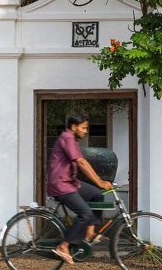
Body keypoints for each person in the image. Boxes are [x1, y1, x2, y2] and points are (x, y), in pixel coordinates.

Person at [47, 114, 113, 265]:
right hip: (61, 185)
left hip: (71, 182)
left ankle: (90, 233)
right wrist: (100, 181)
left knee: (97, 194)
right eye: (83, 128)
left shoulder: (72, 140)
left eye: (86, 128)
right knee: (85, 213)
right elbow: (81, 162)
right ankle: (63, 246)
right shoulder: (67, 138)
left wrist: (99, 184)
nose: (85, 131)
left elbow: (83, 162)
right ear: (73, 127)